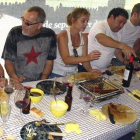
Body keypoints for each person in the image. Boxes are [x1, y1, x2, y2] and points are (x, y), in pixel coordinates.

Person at [2, 6, 57, 83]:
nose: (23, 24)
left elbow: (49, 62)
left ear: (39, 25)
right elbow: (8, 61)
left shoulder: (49, 35)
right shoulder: (15, 33)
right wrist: (15, 79)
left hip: (40, 79)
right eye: (23, 19)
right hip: (18, 79)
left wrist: (42, 81)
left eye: (28, 23)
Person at [50, 8, 102, 78]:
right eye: (83, 21)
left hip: (73, 74)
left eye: (87, 21)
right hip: (57, 74)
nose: (86, 24)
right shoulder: (63, 35)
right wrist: (88, 57)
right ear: (73, 19)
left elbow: (85, 61)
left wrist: (90, 70)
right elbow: (66, 60)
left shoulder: (84, 37)